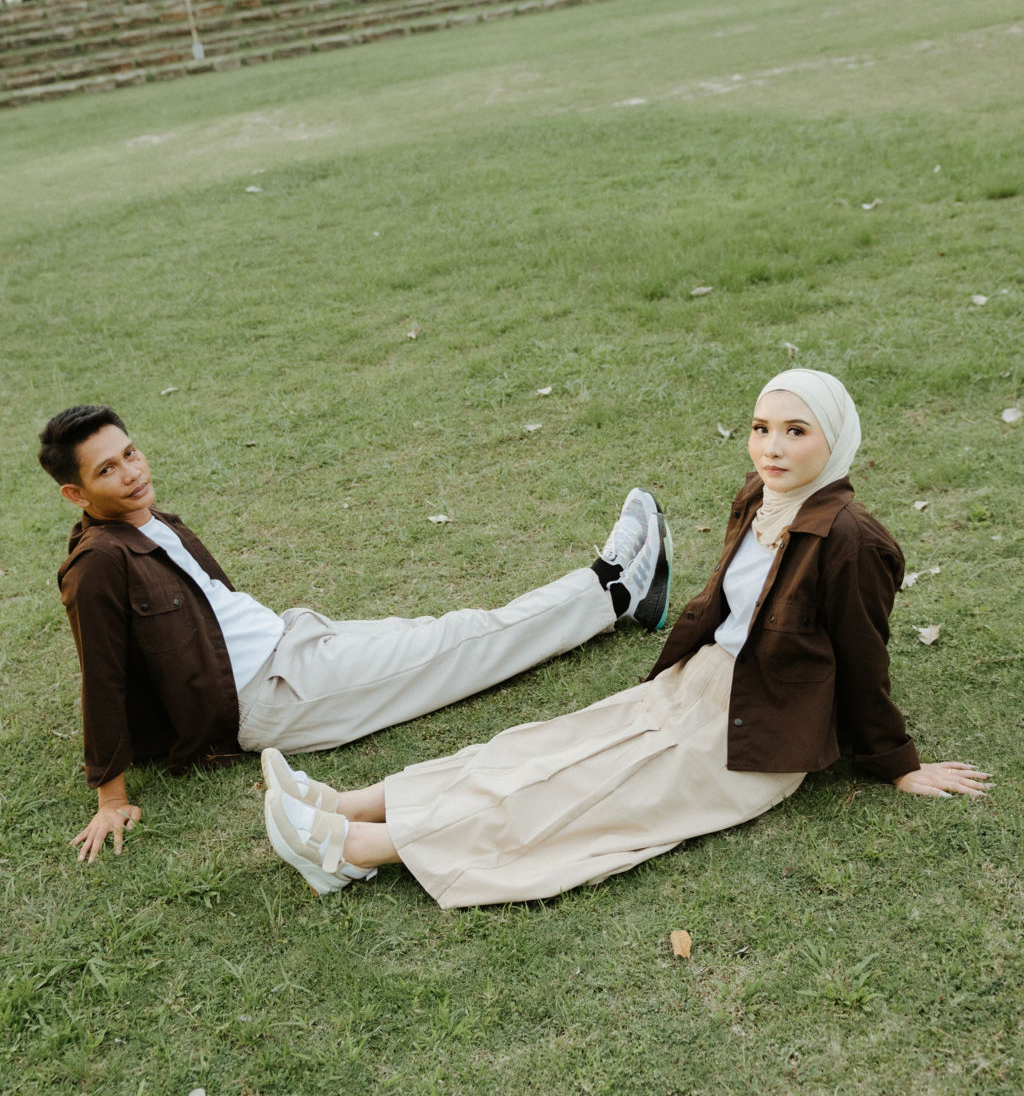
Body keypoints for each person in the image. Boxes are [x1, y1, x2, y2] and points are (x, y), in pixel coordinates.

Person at [259, 369, 989, 907]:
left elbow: (862, 659)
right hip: (701, 683)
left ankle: (357, 851)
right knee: (544, 747)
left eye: (796, 432)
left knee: (590, 792)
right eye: (761, 428)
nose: (771, 447)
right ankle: (351, 803)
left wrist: (897, 762)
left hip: (757, 731)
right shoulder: (763, 496)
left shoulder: (854, 541)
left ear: (836, 439)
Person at [39, 405, 672, 864]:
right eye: (107, 469)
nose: (131, 472)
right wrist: (110, 796)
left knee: (448, 633)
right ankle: (612, 590)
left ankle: (618, 595)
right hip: (275, 693)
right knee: (465, 644)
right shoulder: (97, 565)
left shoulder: (146, 518)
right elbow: (103, 675)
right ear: (76, 493)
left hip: (294, 639)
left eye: (130, 453)